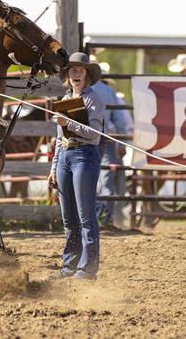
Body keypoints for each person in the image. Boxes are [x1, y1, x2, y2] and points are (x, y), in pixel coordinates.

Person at [48, 53, 105, 280]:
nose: (76, 74)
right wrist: (53, 167)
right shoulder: (65, 99)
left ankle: (87, 268)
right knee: (68, 217)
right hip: (65, 156)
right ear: (68, 75)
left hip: (84, 155)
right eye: (73, 70)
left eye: (80, 70)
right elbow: (59, 138)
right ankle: (69, 265)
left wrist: (67, 122)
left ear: (87, 75)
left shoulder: (94, 100)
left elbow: (94, 134)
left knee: (85, 216)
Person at [91, 58, 132, 228]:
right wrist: (121, 142)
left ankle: (93, 215)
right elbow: (120, 120)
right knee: (107, 178)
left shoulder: (83, 89)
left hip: (85, 140)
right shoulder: (109, 91)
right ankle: (106, 218)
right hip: (106, 139)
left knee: (88, 177)